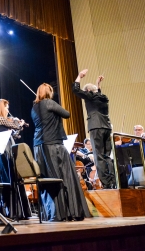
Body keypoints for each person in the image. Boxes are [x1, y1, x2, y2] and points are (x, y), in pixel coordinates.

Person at [31, 83, 91, 221]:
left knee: (47, 178)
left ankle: (52, 213)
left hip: (39, 146)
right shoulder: (49, 103)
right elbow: (67, 114)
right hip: (53, 145)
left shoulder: (34, 108)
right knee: (65, 176)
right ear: (49, 92)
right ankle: (68, 212)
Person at [72, 69, 115, 189]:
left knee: (98, 156)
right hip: (106, 126)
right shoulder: (103, 97)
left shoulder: (90, 96)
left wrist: (79, 76)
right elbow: (97, 93)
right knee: (107, 155)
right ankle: (112, 181)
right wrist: (98, 85)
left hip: (96, 127)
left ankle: (106, 184)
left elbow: (75, 90)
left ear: (88, 91)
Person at [0, 99, 30, 220]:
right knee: (10, 176)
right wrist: (18, 122)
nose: (8, 110)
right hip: (5, 149)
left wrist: (18, 127)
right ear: (1, 108)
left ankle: (18, 210)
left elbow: (14, 133)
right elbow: (14, 126)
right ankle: (12, 210)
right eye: (6, 107)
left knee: (14, 177)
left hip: (8, 146)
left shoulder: (3, 120)